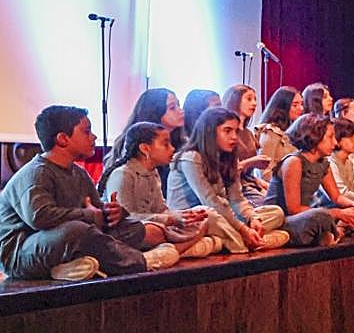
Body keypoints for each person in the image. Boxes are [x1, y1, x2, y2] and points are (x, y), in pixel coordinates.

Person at [0, 106, 180, 280]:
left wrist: (113, 213)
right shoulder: (36, 173)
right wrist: (90, 215)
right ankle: (142, 261)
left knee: (132, 227)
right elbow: (40, 217)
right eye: (86, 132)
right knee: (76, 231)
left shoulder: (79, 173)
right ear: (63, 139)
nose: (94, 136)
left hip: (66, 243)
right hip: (21, 254)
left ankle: (71, 268)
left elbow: (96, 211)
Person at [167, 107, 290, 254]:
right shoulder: (191, 158)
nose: (234, 137)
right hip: (195, 220)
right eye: (227, 131)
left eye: (236, 131)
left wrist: (253, 219)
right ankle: (247, 243)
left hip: (223, 216)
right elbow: (210, 201)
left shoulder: (229, 156)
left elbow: (237, 199)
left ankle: (242, 239)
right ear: (210, 132)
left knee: (276, 212)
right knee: (209, 215)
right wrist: (243, 229)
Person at [99, 121, 221, 258]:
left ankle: (173, 251)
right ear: (145, 148)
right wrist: (170, 219)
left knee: (205, 216)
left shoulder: (153, 172)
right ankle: (179, 250)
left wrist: (184, 216)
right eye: (165, 144)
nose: (172, 148)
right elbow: (127, 218)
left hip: (157, 225)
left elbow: (160, 209)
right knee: (151, 231)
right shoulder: (123, 174)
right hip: (132, 231)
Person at [265, 114, 354, 246]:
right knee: (320, 216)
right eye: (330, 137)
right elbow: (293, 209)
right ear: (315, 136)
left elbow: (337, 197)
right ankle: (331, 234)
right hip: (285, 219)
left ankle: (336, 232)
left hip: (307, 213)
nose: (335, 143)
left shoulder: (323, 163)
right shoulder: (294, 162)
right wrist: (338, 213)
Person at [103, 88, 186, 194]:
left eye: (179, 105)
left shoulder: (181, 142)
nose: (181, 111)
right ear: (155, 111)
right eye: (172, 108)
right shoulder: (132, 144)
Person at [221, 84, 271, 205]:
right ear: (235, 101)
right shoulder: (224, 134)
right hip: (233, 187)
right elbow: (227, 171)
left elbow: (247, 174)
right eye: (249, 99)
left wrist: (259, 182)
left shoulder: (248, 133)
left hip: (249, 183)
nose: (254, 103)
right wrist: (252, 162)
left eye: (255, 99)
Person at [255, 86, 303, 183]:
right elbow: (264, 172)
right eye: (295, 105)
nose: (301, 108)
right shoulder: (270, 132)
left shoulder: (294, 130)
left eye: (301, 104)